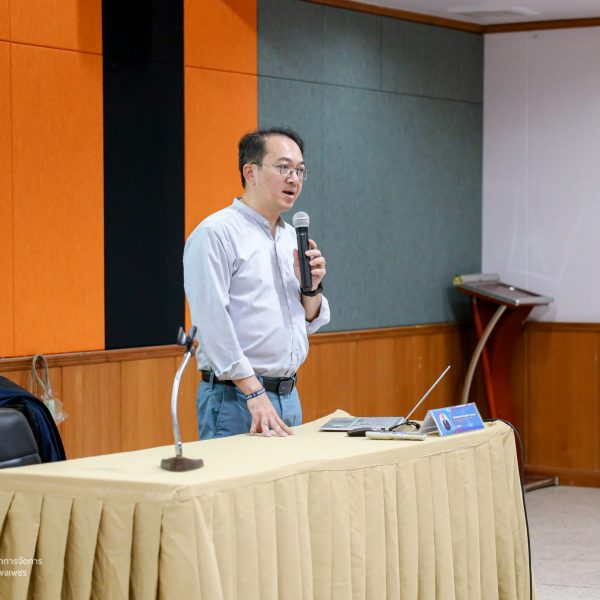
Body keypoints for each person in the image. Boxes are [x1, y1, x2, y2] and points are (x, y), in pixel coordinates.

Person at [183, 127, 330, 439]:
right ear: (250, 172)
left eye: (300, 171)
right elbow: (211, 322)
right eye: (284, 168)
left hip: (288, 395)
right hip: (236, 397)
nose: (294, 179)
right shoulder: (216, 234)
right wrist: (254, 392)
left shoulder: (291, 237)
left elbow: (309, 321)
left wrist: (312, 287)